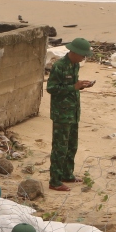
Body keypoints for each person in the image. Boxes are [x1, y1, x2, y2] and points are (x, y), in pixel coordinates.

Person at [47, 37, 95, 192]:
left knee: (71, 146)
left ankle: (67, 174)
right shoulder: (59, 66)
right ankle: (54, 181)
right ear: (74, 52)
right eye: (82, 55)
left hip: (73, 112)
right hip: (61, 113)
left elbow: (70, 86)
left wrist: (80, 86)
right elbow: (52, 88)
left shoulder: (75, 66)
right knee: (60, 148)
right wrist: (73, 86)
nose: (84, 58)